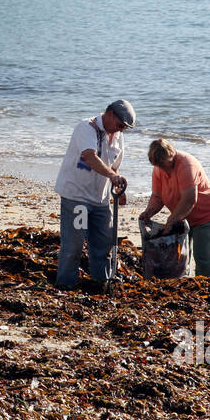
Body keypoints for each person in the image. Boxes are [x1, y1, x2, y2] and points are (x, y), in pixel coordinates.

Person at [54, 99, 137, 287]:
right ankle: (66, 286)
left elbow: (114, 167)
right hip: (77, 198)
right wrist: (112, 176)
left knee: (103, 246)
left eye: (124, 128)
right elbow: (90, 157)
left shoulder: (117, 136)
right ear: (110, 114)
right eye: (120, 125)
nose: (121, 130)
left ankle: (102, 285)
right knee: (73, 247)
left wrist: (117, 185)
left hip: (100, 200)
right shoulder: (86, 128)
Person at [140, 138, 210, 276]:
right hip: (183, 216)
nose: (163, 169)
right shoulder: (158, 169)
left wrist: (171, 220)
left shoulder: (186, 165)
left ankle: (206, 288)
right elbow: (157, 197)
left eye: (164, 164)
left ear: (171, 155)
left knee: (203, 257)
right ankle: (186, 286)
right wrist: (148, 213)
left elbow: (189, 199)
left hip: (206, 213)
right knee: (181, 257)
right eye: (158, 165)